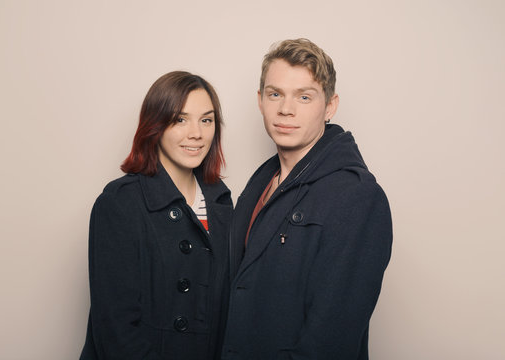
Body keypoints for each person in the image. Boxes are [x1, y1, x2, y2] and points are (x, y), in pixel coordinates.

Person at [221, 39, 393, 359]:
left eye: (304, 96)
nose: (286, 109)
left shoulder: (357, 196)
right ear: (260, 101)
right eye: (275, 94)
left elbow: (331, 339)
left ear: (330, 106)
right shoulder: (260, 183)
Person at [80, 71, 233, 360]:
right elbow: (116, 329)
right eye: (180, 119)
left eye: (206, 119)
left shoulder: (221, 203)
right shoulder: (120, 203)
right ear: (156, 126)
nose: (196, 133)